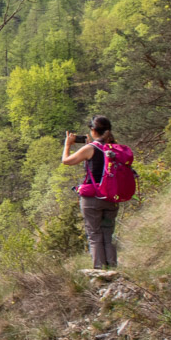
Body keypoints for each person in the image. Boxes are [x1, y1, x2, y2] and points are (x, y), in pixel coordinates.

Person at [62, 115, 119, 270]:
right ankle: (112, 267)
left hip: (93, 198)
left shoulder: (90, 149)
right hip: (111, 198)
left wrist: (67, 145)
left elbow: (66, 161)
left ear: (93, 130)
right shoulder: (114, 148)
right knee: (108, 234)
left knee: (94, 234)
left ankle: (99, 270)